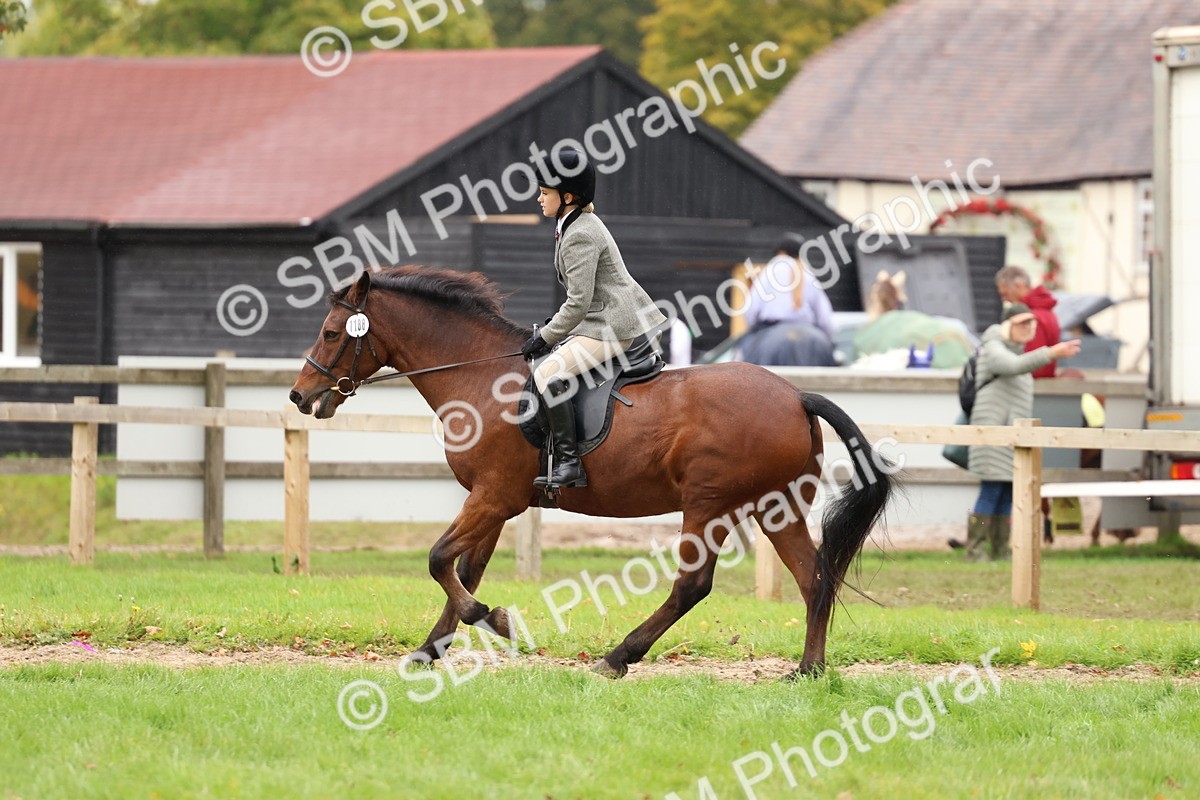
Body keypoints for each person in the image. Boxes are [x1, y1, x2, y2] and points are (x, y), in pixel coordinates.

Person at [520, 150, 667, 490]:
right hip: (601, 319)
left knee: (548, 373)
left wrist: (546, 336)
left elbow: (577, 303)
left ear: (567, 197)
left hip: (611, 327)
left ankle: (569, 463)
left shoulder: (580, 234)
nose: (538, 198)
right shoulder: (572, 224)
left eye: (545, 192)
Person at [960, 302, 1081, 560]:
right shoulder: (993, 348)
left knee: (1006, 492)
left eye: (1031, 322)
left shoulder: (1019, 354)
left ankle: (1000, 551)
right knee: (991, 491)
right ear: (1008, 325)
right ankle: (975, 551)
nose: (1028, 328)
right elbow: (1012, 366)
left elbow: (1019, 365)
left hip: (1011, 438)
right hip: (993, 436)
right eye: (1022, 323)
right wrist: (1050, 353)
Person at [740, 234, 837, 366]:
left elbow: (750, 310)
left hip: (770, 331)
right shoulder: (808, 274)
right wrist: (827, 340)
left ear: (781, 252)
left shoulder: (768, 272)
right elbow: (825, 318)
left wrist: (754, 330)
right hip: (810, 333)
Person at [995, 265, 1061, 378]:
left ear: (1019, 286)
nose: (1004, 299)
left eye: (1005, 294)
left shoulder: (1032, 317)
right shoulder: (1045, 312)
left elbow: (1032, 364)